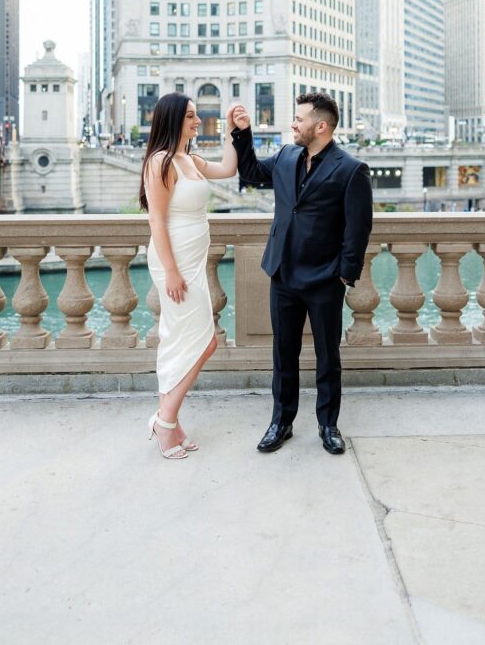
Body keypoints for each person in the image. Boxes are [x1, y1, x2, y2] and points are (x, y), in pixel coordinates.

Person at [230, 92, 373, 455]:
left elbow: (358, 230)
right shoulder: (286, 155)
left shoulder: (351, 169)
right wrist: (241, 134)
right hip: (283, 274)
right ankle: (281, 422)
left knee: (328, 356)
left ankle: (328, 425)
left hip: (325, 279)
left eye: (299, 118)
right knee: (284, 353)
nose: (293, 124)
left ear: (320, 126)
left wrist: (344, 274)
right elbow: (250, 174)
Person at [140, 93, 239, 460]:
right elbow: (156, 220)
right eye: (192, 117)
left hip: (193, 259)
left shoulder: (190, 159)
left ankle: (171, 421)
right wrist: (171, 271)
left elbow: (229, 168)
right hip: (175, 260)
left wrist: (232, 131)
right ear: (173, 120)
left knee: (181, 339)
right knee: (205, 341)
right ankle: (164, 422)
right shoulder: (161, 162)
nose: (199, 122)